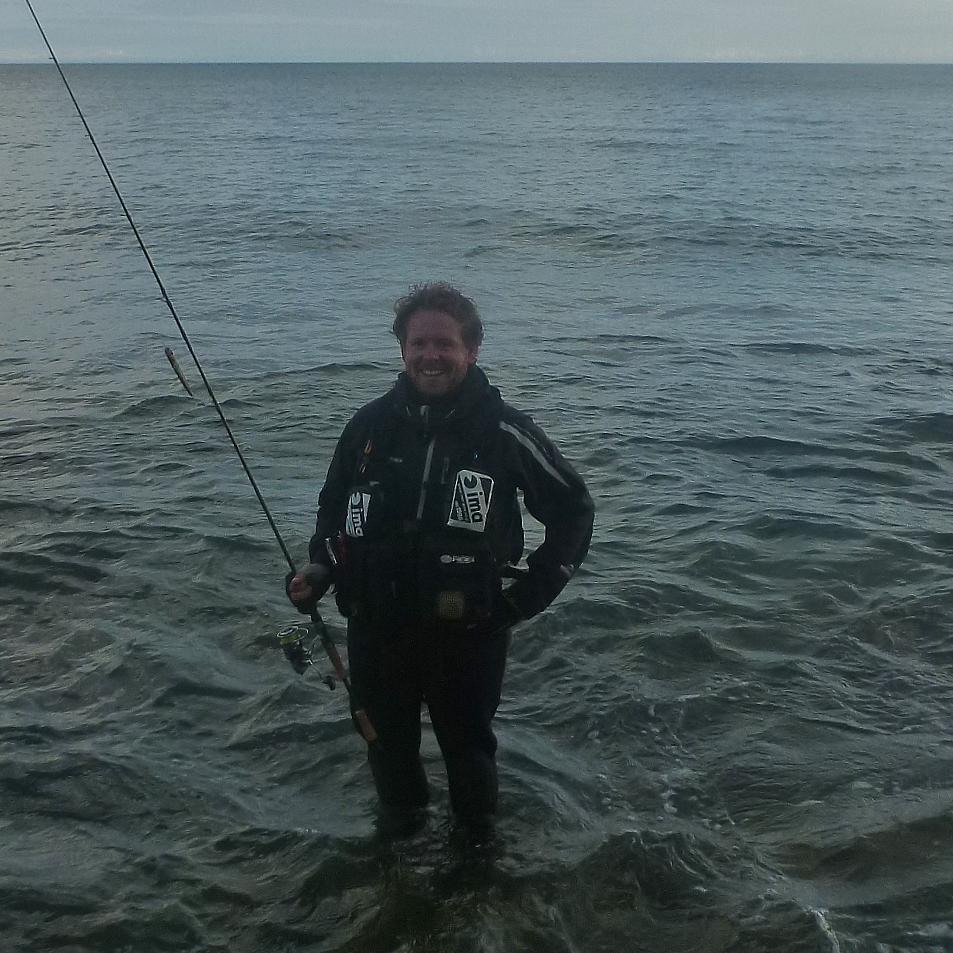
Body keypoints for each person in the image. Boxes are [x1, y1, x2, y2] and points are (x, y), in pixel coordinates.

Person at [286, 282, 594, 842]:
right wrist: (319, 571)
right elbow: (333, 515)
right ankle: (397, 864)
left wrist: (526, 598)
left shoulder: (505, 431)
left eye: (444, 344)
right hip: (376, 629)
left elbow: (573, 511)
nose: (430, 356)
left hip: (468, 633)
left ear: (472, 350)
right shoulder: (367, 428)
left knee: (469, 757)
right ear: (402, 350)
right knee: (387, 754)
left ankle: (477, 871)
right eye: (418, 343)